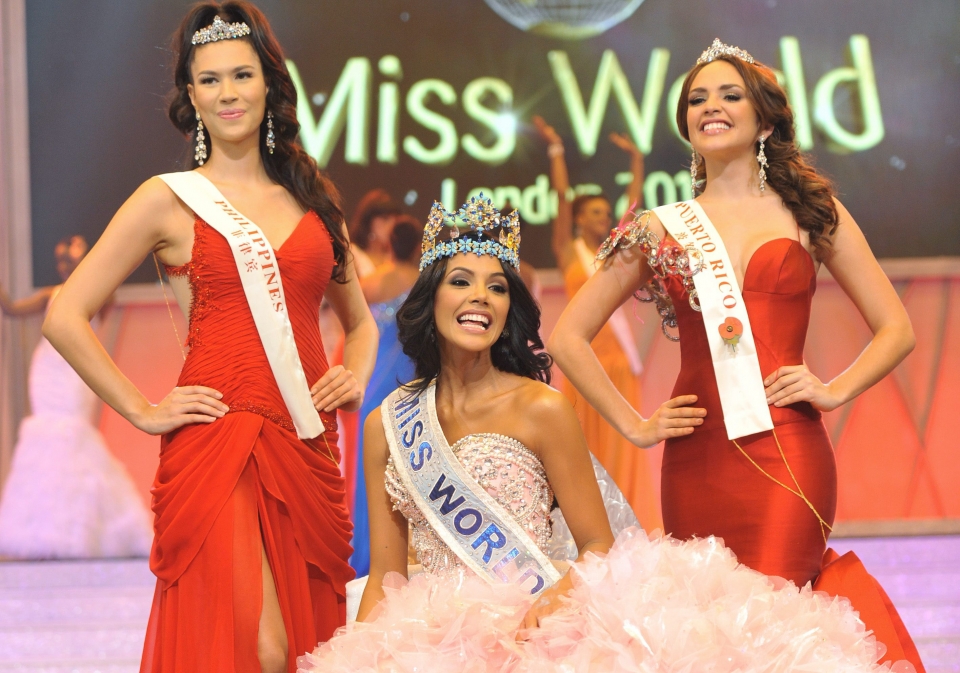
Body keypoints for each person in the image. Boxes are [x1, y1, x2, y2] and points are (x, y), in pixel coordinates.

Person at [298, 196, 909, 673]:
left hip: (530, 629)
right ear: (430, 298)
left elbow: (595, 545)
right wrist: (364, 653)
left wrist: (547, 608)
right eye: (461, 281)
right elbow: (384, 573)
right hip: (424, 639)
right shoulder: (390, 423)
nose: (480, 297)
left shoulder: (542, 409)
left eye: (498, 285)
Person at [548, 39, 924, 670]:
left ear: (765, 118)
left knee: (775, 627)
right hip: (696, 460)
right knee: (705, 635)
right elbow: (567, 336)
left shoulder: (812, 211)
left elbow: (895, 328)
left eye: (729, 95)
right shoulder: (659, 226)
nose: (710, 107)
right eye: (697, 99)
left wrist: (831, 388)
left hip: (786, 449)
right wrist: (637, 426)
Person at [41, 4, 378, 672]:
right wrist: (141, 408)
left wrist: (356, 370)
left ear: (269, 85)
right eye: (211, 79)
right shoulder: (167, 198)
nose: (228, 93)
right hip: (219, 439)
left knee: (304, 651)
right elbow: (63, 315)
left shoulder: (313, 198)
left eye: (242, 75)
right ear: (191, 96)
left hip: (306, 443)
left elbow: (360, 323)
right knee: (259, 643)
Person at [533, 116, 661, 530]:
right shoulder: (568, 251)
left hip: (618, 362)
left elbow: (634, 205)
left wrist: (638, 160)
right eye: (593, 212)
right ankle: (589, 526)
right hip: (584, 362)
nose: (601, 217)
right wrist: (556, 149)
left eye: (605, 212)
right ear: (578, 219)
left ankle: (627, 523)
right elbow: (559, 197)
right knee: (584, 446)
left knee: (623, 444)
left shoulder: (613, 253)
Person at [0, 236, 151, 559]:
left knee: (72, 435)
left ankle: (82, 529)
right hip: (47, 370)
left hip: (76, 371)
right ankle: (42, 532)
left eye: (68, 259)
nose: (63, 265)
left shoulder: (98, 295)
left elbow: (109, 291)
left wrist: (91, 259)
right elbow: (11, 309)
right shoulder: (49, 295)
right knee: (45, 436)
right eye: (60, 261)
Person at [348, 215, 422, 576]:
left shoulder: (372, 283)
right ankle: (408, 556)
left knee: (371, 471)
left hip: (375, 383)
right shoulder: (424, 285)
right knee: (412, 467)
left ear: (390, 244)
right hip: (411, 383)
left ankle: (367, 556)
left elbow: (350, 321)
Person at [348, 189, 403, 278]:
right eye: (385, 219)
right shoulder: (353, 255)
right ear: (368, 221)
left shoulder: (394, 259)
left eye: (395, 221)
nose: (391, 226)